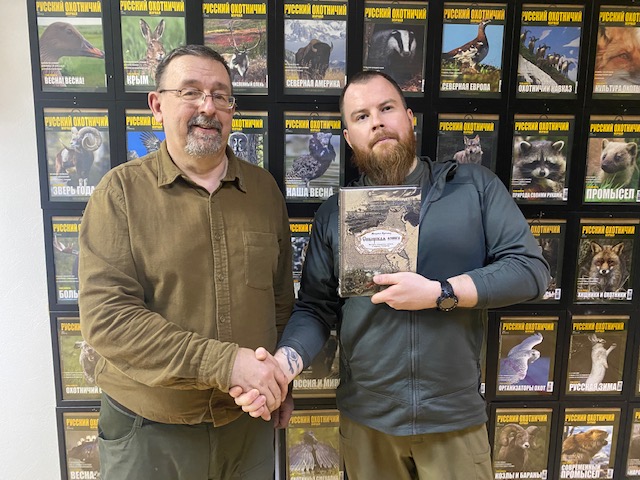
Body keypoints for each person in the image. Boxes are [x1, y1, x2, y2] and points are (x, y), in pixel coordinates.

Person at [232, 71, 550, 480]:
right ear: (349, 138)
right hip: (368, 424)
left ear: (409, 117)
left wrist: (441, 292)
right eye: (361, 116)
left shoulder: (473, 188)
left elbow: (529, 270)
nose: (377, 122)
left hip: (454, 420)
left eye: (386, 108)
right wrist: (280, 368)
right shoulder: (334, 214)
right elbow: (314, 309)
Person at [78, 44, 294, 480]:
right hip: (150, 430)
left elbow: (279, 301)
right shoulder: (119, 194)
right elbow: (108, 319)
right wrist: (227, 364)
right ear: (157, 105)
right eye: (190, 92)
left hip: (247, 425)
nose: (208, 107)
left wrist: (281, 381)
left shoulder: (264, 191)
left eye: (221, 95)